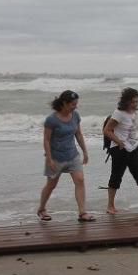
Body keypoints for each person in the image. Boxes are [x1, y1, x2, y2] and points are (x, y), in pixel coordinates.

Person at [37, 90, 95, 222]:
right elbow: (46, 140)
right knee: (51, 185)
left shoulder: (75, 116)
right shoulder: (51, 120)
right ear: (64, 103)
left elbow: (78, 134)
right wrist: (49, 159)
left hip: (72, 155)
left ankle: (82, 213)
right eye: (73, 104)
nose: (75, 106)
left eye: (76, 104)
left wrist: (85, 152)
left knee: (80, 180)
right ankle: (41, 209)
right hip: (56, 157)